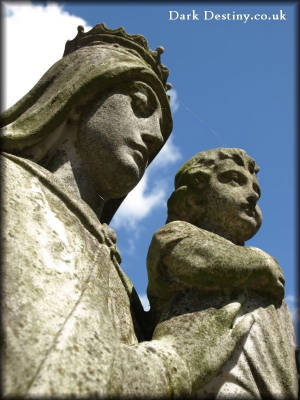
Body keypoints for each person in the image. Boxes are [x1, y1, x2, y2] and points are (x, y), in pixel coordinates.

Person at [1, 25, 254, 397]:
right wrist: (178, 360)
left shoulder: (122, 279)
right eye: (140, 105)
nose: (153, 136)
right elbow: (44, 374)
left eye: (161, 127)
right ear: (78, 97)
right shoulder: (12, 186)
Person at [147, 148, 298, 399]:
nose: (252, 195)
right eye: (234, 180)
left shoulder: (268, 284)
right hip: (212, 380)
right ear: (193, 200)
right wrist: (261, 263)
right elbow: (191, 258)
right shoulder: (176, 235)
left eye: (256, 190)